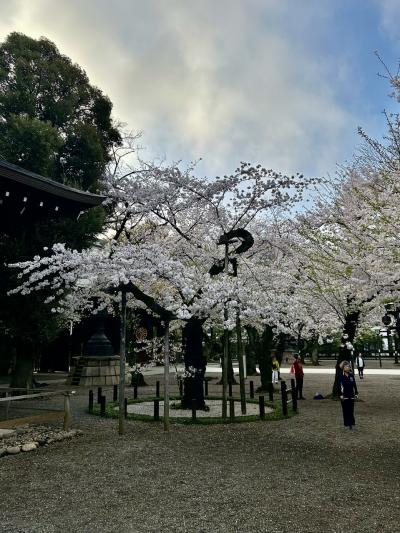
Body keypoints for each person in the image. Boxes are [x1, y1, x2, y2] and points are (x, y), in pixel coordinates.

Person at [338, 360, 358, 430]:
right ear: (343, 367)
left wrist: (356, 393)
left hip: (351, 395)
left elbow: (354, 385)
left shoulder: (351, 375)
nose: (348, 367)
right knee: (345, 410)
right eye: (346, 366)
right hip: (344, 395)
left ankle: (351, 423)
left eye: (349, 366)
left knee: (351, 410)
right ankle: (347, 423)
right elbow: (338, 386)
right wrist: (340, 395)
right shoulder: (340, 376)